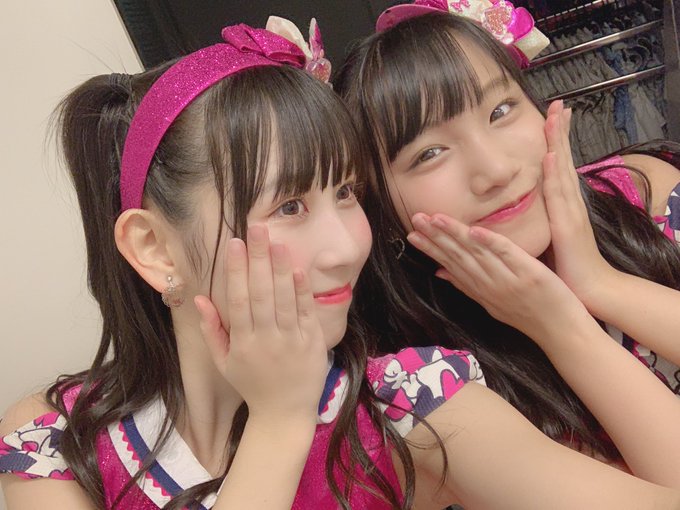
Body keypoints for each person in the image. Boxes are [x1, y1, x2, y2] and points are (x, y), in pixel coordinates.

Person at [2, 14, 680, 510]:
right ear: (154, 249)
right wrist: (278, 426)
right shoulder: (58, 439)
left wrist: (580, 305)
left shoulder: (408, 406)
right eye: (290, 206)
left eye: (348, 193)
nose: (348, 247)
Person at [336, 0, 680, 475]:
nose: (496, 170)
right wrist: (559, 326)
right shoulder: (435, 385)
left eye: (500, 110)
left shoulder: (642, 192)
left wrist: (601, 283)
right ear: (381, 212)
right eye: (429, 153)